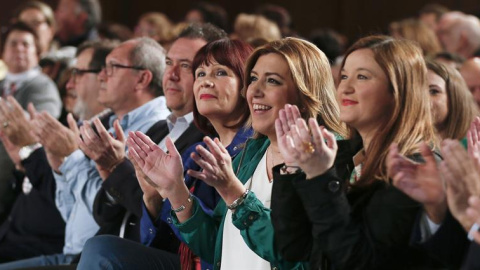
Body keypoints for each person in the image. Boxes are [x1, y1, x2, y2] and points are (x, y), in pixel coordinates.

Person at [126, 37, 346, 270]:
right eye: (253, 79)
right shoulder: (251, 153)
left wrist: (235, 194)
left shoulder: (331, 157)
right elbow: (216, 246)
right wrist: (175, 190)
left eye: (272, 81)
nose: (254, 92)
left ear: (305, 92)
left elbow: (299, 257)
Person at [270, 35, 455, 269]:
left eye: (362, 77)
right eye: (344, 75)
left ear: (398, 91)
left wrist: (320, 177)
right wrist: (294, 167)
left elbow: (360, 262)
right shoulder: (342, 156)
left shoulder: (414, 168)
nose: (345, 87)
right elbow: (294, 246)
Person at [78, 37, 254, 270]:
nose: (206, 82)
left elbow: (226, 242)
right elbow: (160, 241)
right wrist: (152, 199)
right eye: (200, 74)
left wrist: (177, 193)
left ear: (247, 86)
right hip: (182, 261)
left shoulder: (256, 149)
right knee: (99, 247)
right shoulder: (195, 152)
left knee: (102, 250)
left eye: (220, 73)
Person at [0, 37, 170, 269]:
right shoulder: (108, 124)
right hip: (72, 252)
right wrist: (60, 167)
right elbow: (71, 212)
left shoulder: (157, 131)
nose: (103, 76)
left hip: (95, 256)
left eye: (112, 68)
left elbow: (104, 214)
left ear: (142, 78)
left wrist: (69, 157)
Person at [0, 40, 115, 263]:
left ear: (104, 79)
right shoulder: (70, 129)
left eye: (78, 74)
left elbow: (66, 206)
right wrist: (22, 163)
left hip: (45, 250)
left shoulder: (109, 137)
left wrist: (30, 151)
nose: (69, 85)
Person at [0, 22, 62, 224]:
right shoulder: (2, 84)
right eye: (13, 43)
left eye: (26, 44)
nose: (19, 48)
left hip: (19, 175)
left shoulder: (43, 87)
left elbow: (34, 131)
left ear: (38, 52)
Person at [426, 59, 479, 141]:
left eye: (433, 91)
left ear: (455, 97)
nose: (422, 99)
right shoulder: (405, 147)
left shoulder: (473, 144)